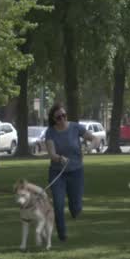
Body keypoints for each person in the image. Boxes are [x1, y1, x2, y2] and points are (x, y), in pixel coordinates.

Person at [44, 103, 96, 242]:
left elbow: (94, 138)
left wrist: (89, 148)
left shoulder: (75, 127)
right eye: (59, 117)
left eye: (64, 115)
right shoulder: (50, 132)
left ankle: (75, 210)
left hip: (76, 172)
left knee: (76, 207)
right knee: (59, 204)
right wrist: (60, 158)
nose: (62, 119)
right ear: (54, 119)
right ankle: (62, 235)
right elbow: (52, 154)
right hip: (57, 173)